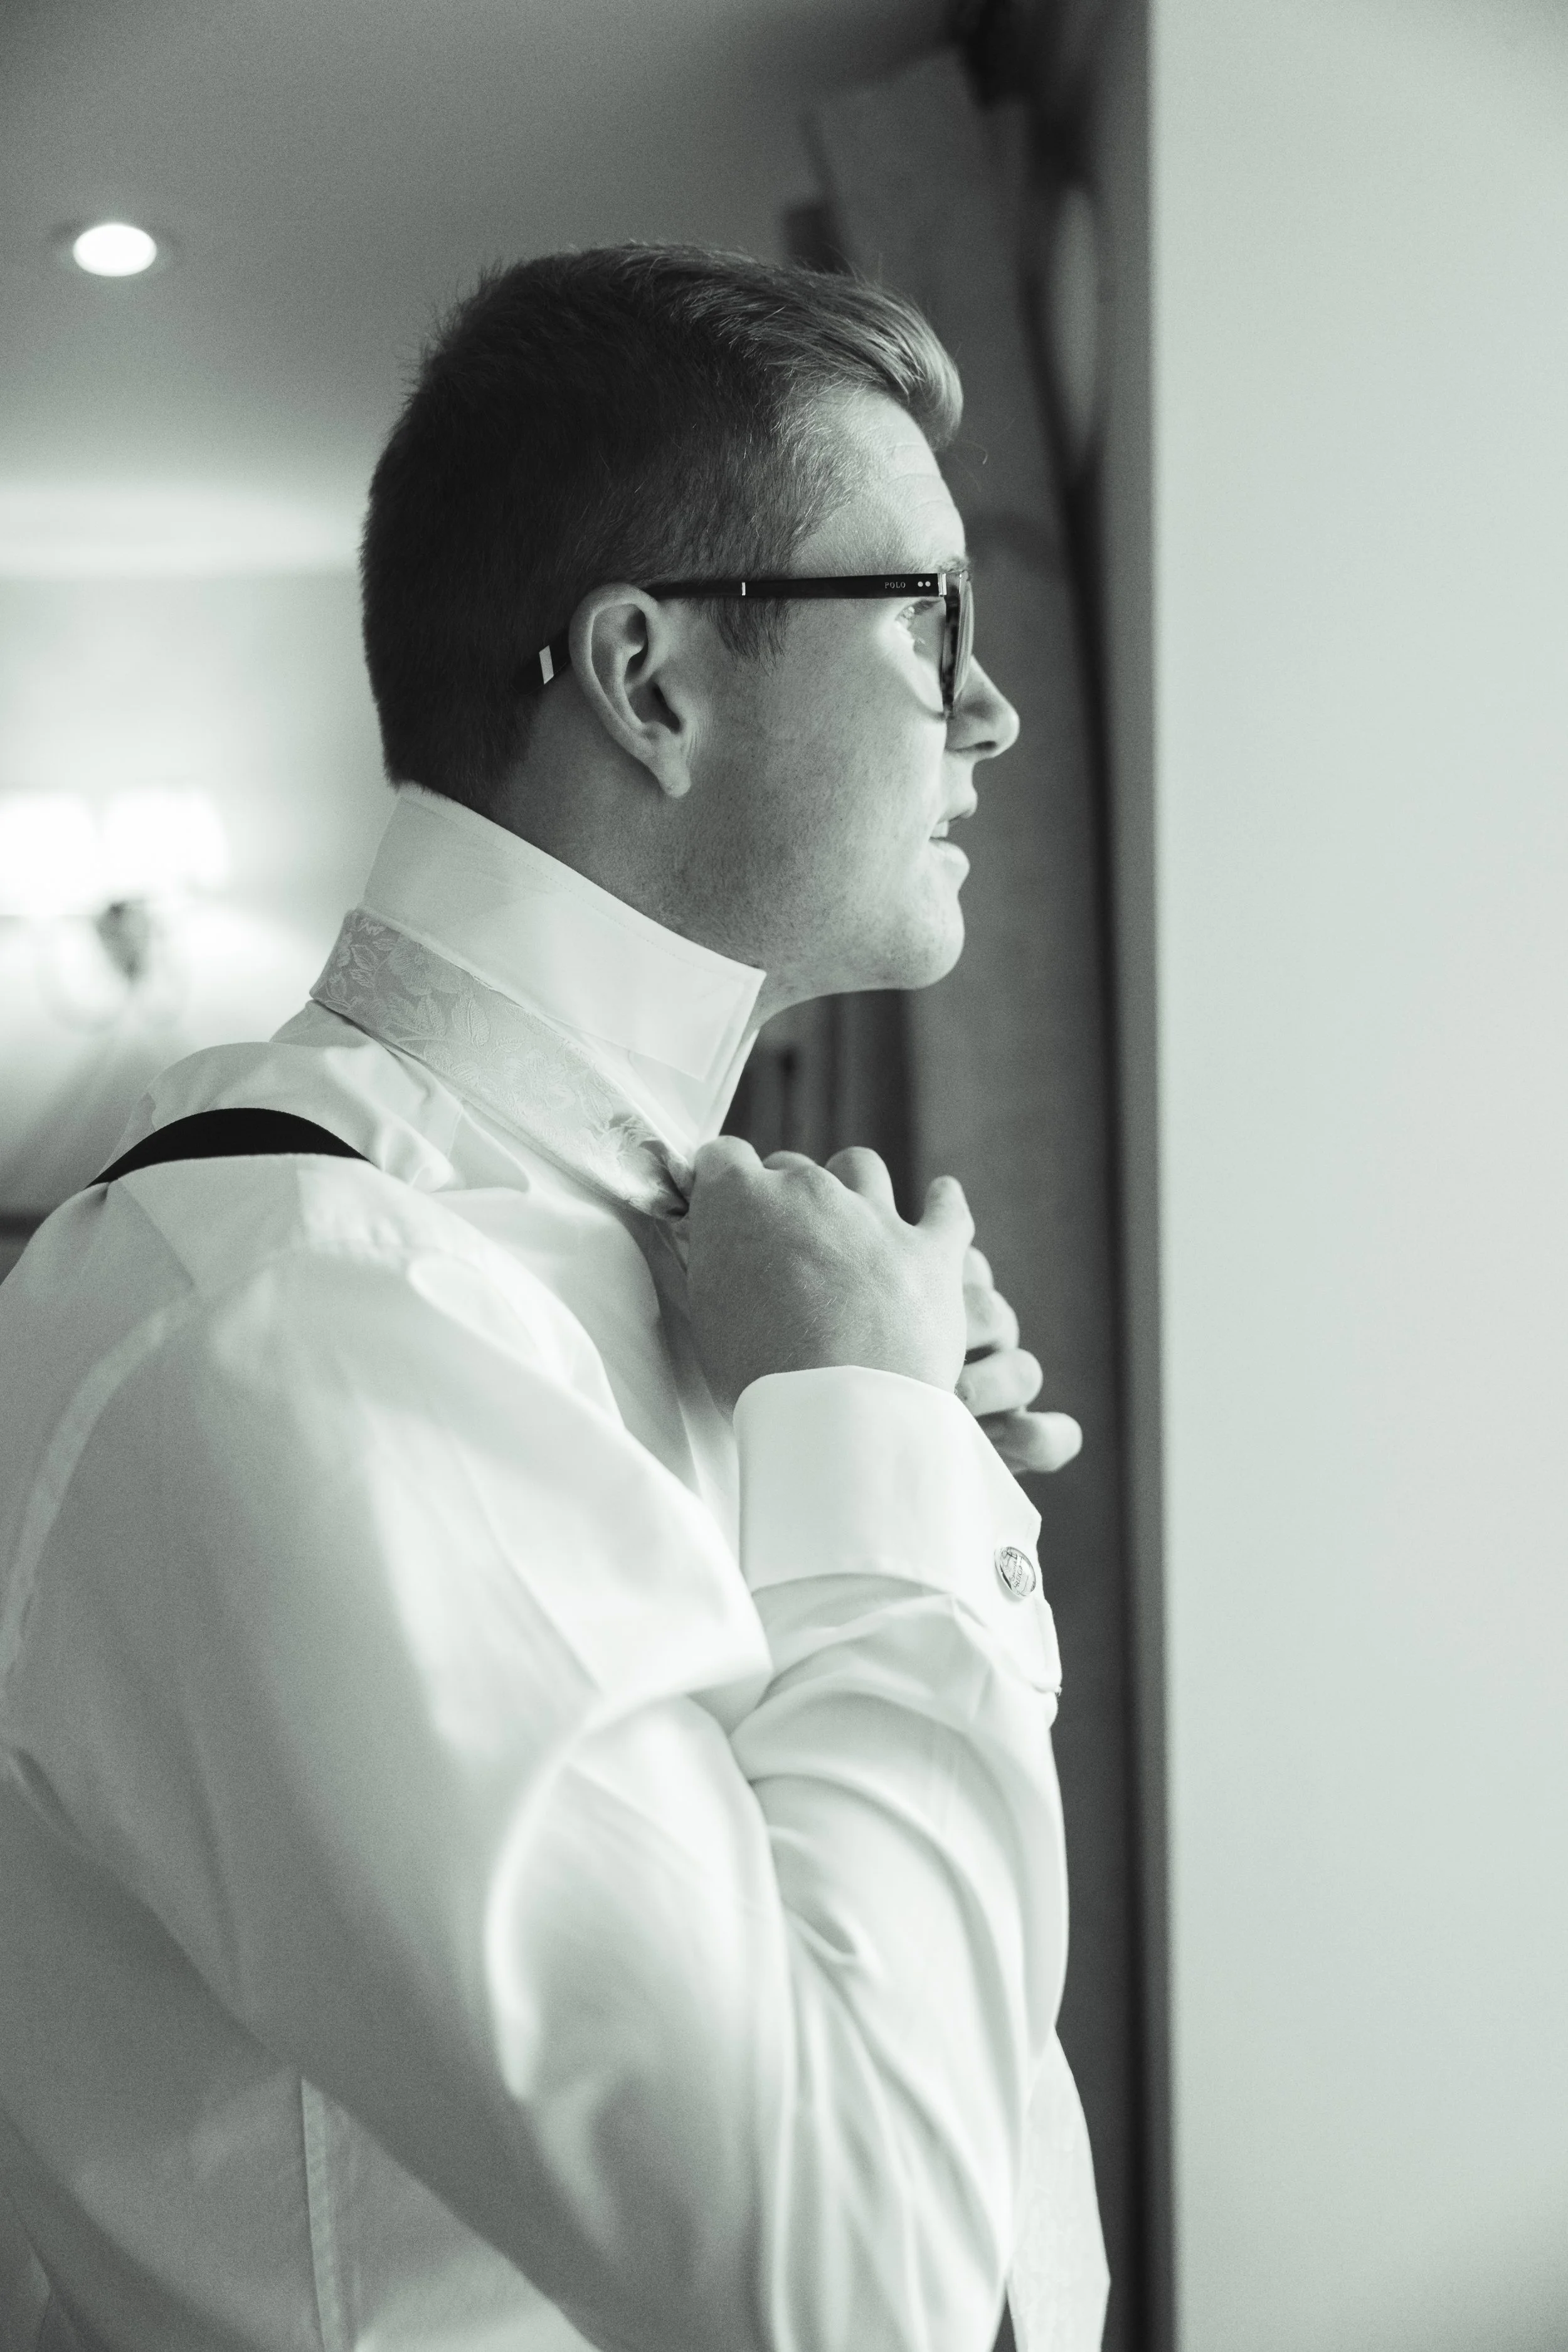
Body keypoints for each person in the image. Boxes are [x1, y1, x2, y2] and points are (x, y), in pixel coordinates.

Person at [0, 245, 1108, 2351]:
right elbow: (848, 2287)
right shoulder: (287, 1320)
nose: (990, 710)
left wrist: (869, 1463)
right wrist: (875, 1467)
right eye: (928, 614)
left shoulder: (687, 1287)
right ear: (646, 678)